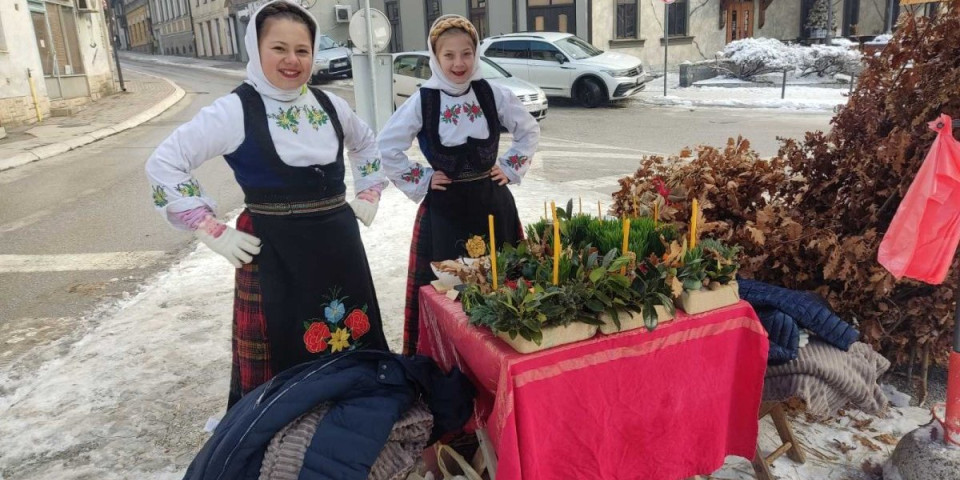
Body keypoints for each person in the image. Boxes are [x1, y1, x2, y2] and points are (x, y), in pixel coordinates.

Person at [145, 0, 389, 408]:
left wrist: (368, 192)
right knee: (283, 355)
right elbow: (164, 164)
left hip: (339, 250)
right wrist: (209, 229)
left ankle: (354, 422)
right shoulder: (233, 111)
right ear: (255, 50)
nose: (292, 60)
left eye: (303, 50)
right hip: (274, 256)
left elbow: (366, 145)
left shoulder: (331, 106)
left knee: (350, 340)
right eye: (279, 48)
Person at [378, 15, 540, 355]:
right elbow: (388, 146)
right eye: (449, 55)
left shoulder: (492, 93)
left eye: (466, 53)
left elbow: (529, 129)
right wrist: (421, 178)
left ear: (476, 54)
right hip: (446, 213)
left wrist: (510, 167)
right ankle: (450, 363)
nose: (459, 63)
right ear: (435, 58)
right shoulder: (424, 100)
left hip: (494, 206)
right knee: (451, 295)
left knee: (502, 284)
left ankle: (498, 357)